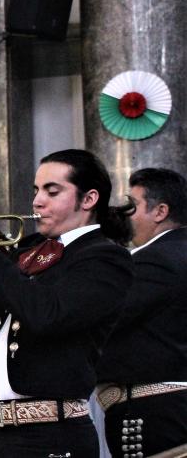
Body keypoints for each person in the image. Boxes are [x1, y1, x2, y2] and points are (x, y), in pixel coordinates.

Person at [0, 149, 135, 458]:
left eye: (51, 191)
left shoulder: (105, 258)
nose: (37, 201)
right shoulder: (31, 250)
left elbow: (47, 315)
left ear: (89, 199)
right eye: (36, 190)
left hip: (54, 435)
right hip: (3, 433)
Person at [96, 167, 187, 456]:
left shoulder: (158, 259)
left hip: (157, 416)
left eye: (132, 206)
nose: (124, 215)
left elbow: (103, 318)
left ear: (160, 212)